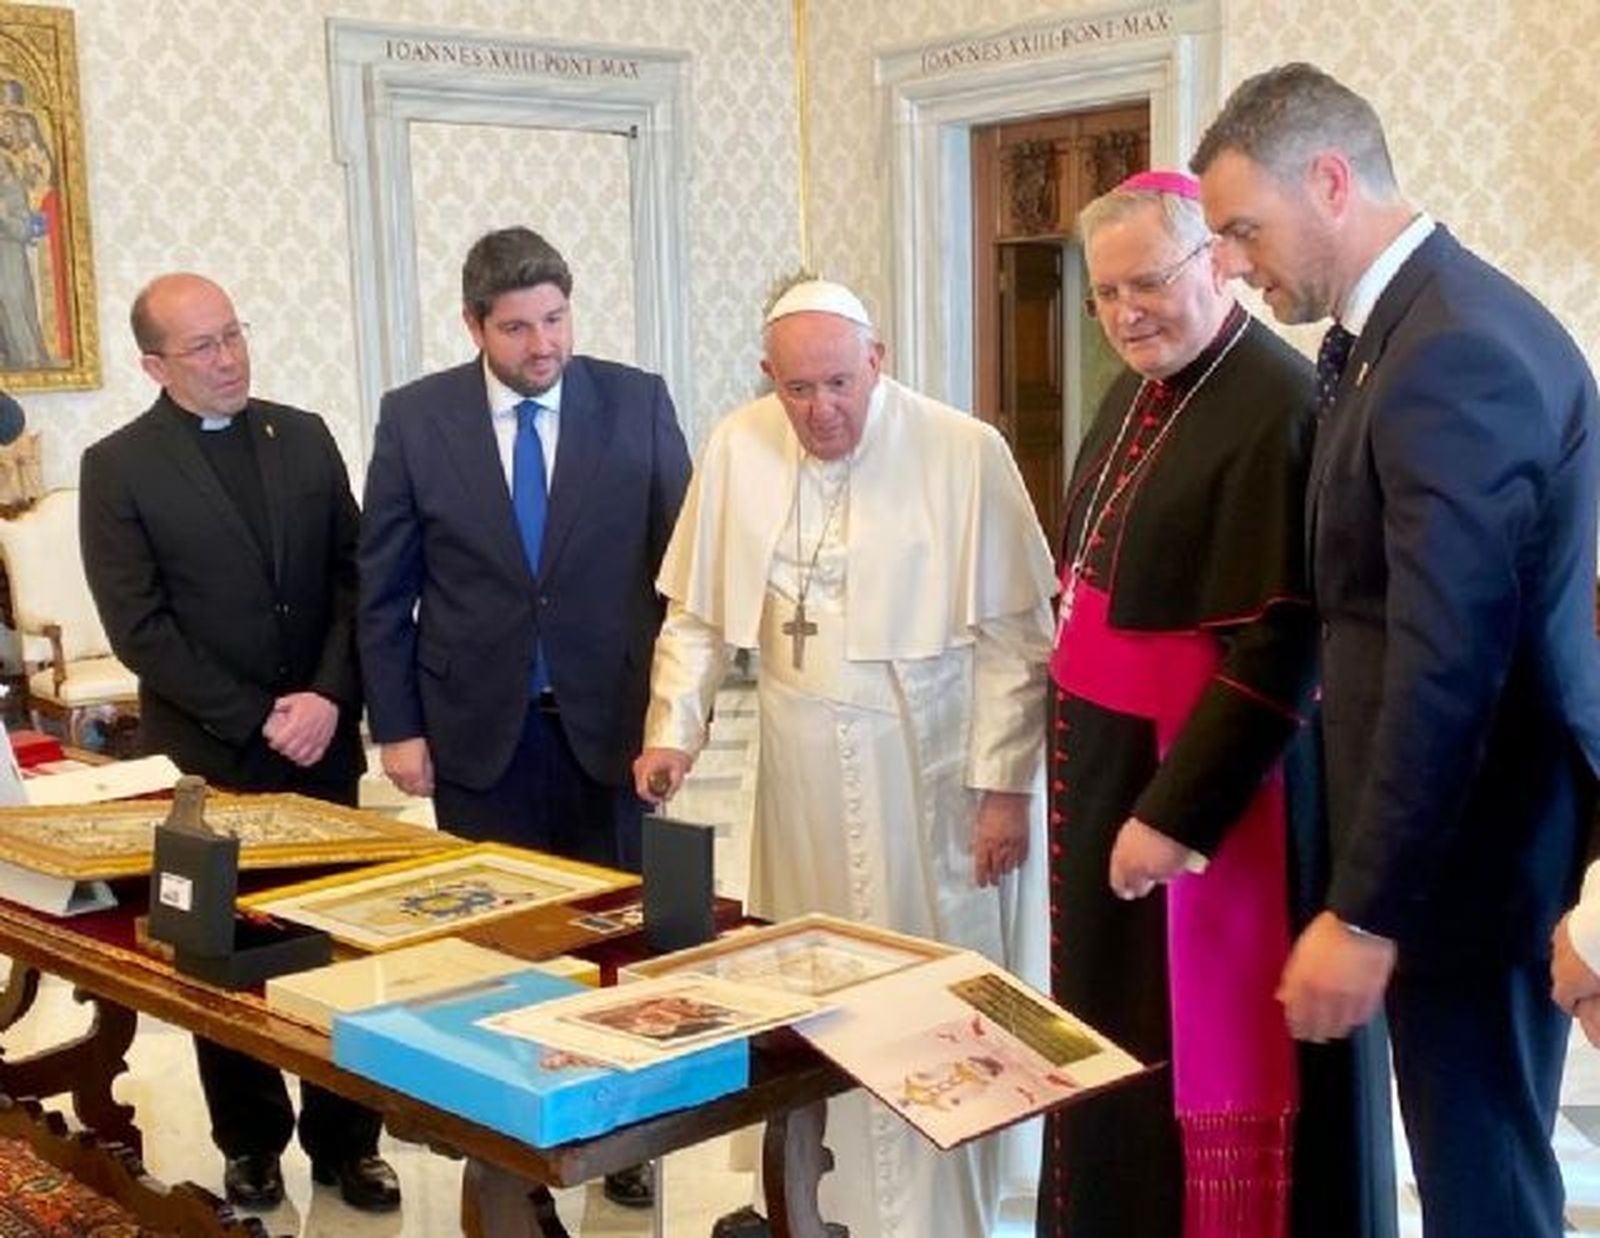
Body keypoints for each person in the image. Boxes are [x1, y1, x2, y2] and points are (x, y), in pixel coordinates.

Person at [1193, 62, 1600, 1237]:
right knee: (1473, 1165)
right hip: (1457, 841)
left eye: (1240, 228)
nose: (1229, 262)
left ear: (1328, 180)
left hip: (1475, 851)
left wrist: (1367, 910)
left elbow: (1447, 657)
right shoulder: (1398, 332)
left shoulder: (1452, 349)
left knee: (1481, 1179)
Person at [633, 278, 1055, 1238]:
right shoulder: (740, 446)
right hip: (797, 769)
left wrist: (1000, 789)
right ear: (766, 380)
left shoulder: (962, 451)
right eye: (797, 390)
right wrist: (674, 727)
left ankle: (943, 1217)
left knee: (928, 995)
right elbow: (696, 615)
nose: (821, 410)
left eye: (838, 384)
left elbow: (1015, 638)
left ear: (879, 361)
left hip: (927, 768)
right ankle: (816, 1203)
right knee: (809, 990)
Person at [1037, 169, 1395, 1238]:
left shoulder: (1278, 402)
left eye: (1146, 282)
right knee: (1118, 1044)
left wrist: (1173, 814)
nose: (1125, 313)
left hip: (1214, 801)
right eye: (1103, 294)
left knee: (1198, 1050)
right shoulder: (1136, 385)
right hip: (1114, 768)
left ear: (1215, 262)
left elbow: (1282, 634)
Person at [358, 225, 690, 1210]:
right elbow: (384, 586)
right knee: (495, 947)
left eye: (555, 318)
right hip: (475, 729)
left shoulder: (635, 399)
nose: (542, 343)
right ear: (474, 326)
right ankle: (509, 1147)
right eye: (517, 327)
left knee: (618, 938)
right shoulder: (416, 419)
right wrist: (398, 726)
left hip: (612, 728)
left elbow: (680, 576)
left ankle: (625, 1130)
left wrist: (675, 712)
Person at [78, 273, 398, 1213]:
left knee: (339, 942)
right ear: (153, 365)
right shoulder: (118, 465)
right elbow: (140, 629)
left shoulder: (301, 433)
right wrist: (261, 714)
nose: (228, 360)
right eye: (202, 347)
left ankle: (351, 1142)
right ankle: (250, 1142)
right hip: (210, 753)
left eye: (233, 336)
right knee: (220, 952)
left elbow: (355, 580)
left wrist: (331, 697)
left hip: (324, 741)